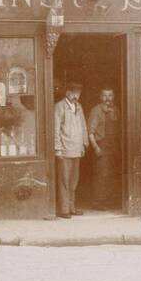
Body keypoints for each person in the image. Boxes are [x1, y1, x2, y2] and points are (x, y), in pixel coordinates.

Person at [54, 82, 89, 218]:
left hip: (76, 149)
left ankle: (72, 207)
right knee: (64, 180)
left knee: (74, 180)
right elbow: (56, 128)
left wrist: (84, 144)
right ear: (67, 93)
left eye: (78, 93)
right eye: (73, 92)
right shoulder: (59, 107)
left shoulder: (78, 107)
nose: (76, 95)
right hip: (64, 150)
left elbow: (83, 126)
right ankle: (64, 209)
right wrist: (57, 148)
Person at [88, 87, 121, 208]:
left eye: (110, 95)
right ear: (100, 97)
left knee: (111, 173)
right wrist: (96, 147)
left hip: (113, 145)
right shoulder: (96, 111)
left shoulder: (116, 110)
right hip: (101, 145)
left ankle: (108, 201)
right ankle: (98, 202)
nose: (107, 99)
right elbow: (90, 132)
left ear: (114, 97)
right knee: (101, 174)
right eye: (105, 95)